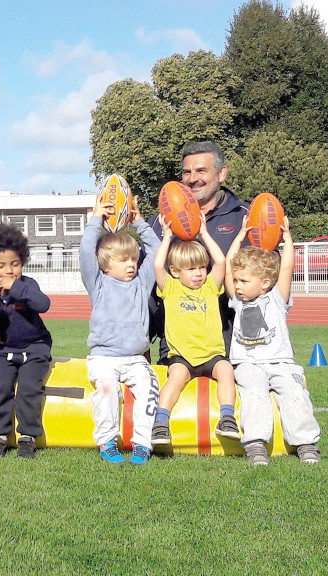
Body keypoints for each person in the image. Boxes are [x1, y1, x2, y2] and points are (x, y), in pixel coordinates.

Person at [225, 216, 321, 465]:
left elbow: (287, 268)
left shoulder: (277, 299)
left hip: (280, 363)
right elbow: (228, 265)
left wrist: (287, 240)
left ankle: (306, 443)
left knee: (294, 391)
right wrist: (239, 237)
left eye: (244, 281)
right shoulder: (237, 301)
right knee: (254, 393)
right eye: (236, 281)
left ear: (266, 283)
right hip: (248, 364)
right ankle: (255, 444)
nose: (237, 286)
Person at [148, 141, 249, 362]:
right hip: (175, 346)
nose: (193, 178)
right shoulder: (160, 222)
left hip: (230, 344)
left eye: (201, 170)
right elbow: (145, 283)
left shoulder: (244, 217)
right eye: (187, 172)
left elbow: (265, 275)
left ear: (222, 174)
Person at [81, 196, 160, 465]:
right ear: (104, 265)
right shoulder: (98, 283)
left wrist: (138, 222)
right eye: (123, 259)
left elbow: (156, 249)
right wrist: (95, 220)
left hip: (137, 359)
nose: (131, 264)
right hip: (104, 357)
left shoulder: (142, 281)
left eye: (134, 258)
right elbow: (85, 251)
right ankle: (106, 440)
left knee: (150, 387)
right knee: (106, 388)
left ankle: (142, 442)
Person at [152, 213, 241, 447]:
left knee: (226, 371)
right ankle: (161, 422)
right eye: (191, 269)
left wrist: (204, 233)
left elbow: (221, 262)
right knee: (176, 378)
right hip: (183, 357)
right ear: (175, 271)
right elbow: (157, 264)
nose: (199, 273)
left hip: (212, 354)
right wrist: (167, 236)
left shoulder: (211, 287)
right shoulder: (170, 289)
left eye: (202, 267)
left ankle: (227, 417)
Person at [0, 223, 52, 459]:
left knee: (29, 388)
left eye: (14, 264)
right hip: (3, 351)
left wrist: (16, 287)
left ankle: (27, 437)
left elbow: (43, 304)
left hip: (35, 348)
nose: (8, 271)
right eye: (1, 266)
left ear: (23, 262)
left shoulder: (27, 285)